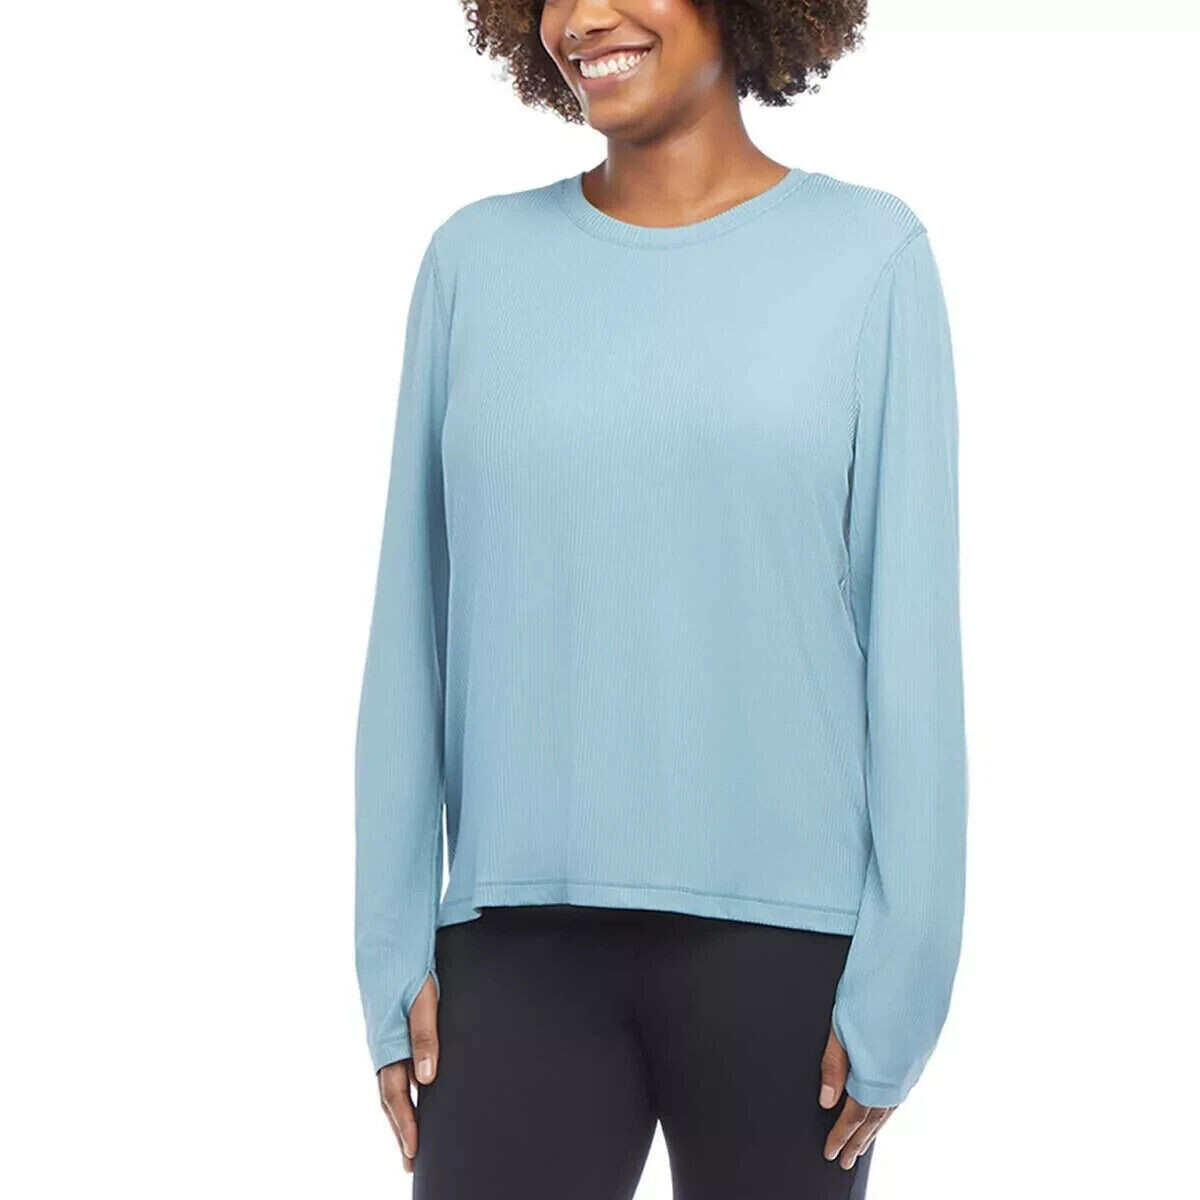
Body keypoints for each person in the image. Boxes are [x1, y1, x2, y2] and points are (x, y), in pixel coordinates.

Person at [354, 2, 968, 1196]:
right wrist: (390, 945)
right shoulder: (472, 265)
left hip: (789, 954)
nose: (584, 19)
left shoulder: (870, 258)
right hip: (512, 946)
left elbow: (913, 650)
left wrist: (909, 976)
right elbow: (409, 625)